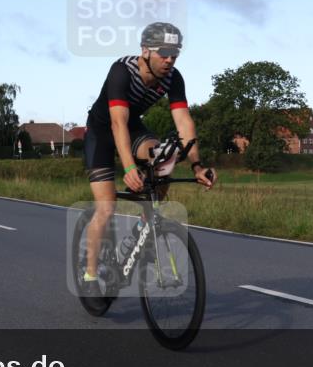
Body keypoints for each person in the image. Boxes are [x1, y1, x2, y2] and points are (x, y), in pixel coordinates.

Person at [81, 22, 216, 297]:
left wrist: (197, 165)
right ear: (145, 51)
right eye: (163, 53)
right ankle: (90, 273)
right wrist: (129, 167)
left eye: (175, 54)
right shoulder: (122, 71)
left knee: (165, 155)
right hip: (102, 133)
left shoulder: (173, 78)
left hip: (132, 129)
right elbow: (118, 122)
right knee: (106, 208)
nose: (169, 60)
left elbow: (184, 122)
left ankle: (146, 222)